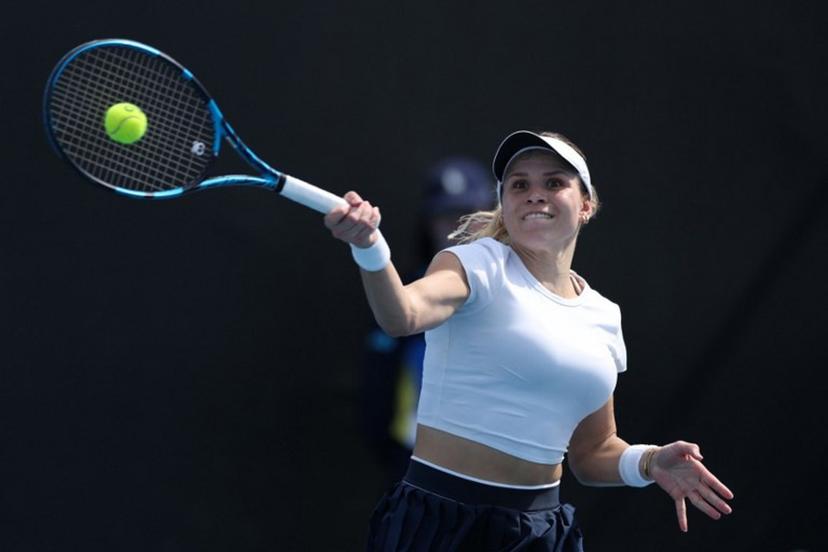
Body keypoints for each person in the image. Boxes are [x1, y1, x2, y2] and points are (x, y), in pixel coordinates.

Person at [325, 130, 734, 550]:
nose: (535, 194)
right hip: (439, 524)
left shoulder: (604, 317)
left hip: (540, 533)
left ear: (586, 204)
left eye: (554, 183)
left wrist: (648, 461)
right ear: (505, 202)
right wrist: (371, 248)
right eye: (520, 184)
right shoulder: (475, 264)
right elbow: (403, 315)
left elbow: (592, 453)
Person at [359, 157, 495, 489]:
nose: (457, 230)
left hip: (501, 467)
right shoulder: (405, 290)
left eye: (469, 217)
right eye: (444, 217)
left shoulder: (526, 290)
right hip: (418, 464)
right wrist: (366, 246)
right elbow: (378, 386)